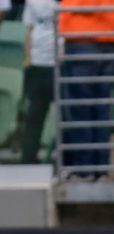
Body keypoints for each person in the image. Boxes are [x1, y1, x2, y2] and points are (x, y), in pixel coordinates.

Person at [59, 0, 114, 181]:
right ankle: (100, 169)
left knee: (80, 108)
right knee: (101, 108)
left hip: (84, 38)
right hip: (110, 38)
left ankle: (84, 169)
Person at [20, 0, 58, 164]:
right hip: (37, 64)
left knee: (67, 116)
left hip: (59, 64)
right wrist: (28, 58)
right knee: (35, 114)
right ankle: (28, 158)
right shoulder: (32, 2)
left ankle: (67, 159)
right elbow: (29, 29)